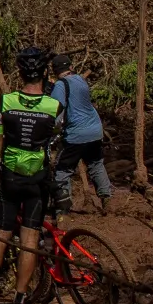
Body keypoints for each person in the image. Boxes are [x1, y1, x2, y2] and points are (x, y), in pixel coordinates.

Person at [0, 49, 63, 304]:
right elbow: (56, 139)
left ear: (21, 74)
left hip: (9, 177)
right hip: (37, 180)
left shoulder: (6, 102)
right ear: (45, 75)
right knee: (29, 239)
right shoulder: (54, 107)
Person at [49, 53, 112, 216]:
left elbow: (56, 110)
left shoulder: (60, 86)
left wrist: (53, 132)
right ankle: (107, 199)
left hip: (77, 134)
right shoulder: (80, 80)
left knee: (63, 169)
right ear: (70, 67)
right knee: (96, 164)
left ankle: (63, 206)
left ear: (54, 71)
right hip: (95, 130)